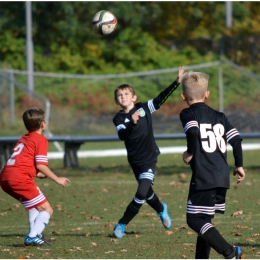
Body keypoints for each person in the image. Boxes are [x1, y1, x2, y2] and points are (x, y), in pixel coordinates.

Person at [112, 66, 186, 238]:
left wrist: (176, 83)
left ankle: (121, 224)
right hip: (135, 161)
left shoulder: (144, 108)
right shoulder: (118, 118)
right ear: (117, 101)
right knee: (147, 193)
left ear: (134, 97)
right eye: (119, 96)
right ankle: (161, 209)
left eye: (126, 94)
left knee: (140, 192)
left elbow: (161, 98)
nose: (123, 97)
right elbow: (123, 135)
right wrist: (131, 122)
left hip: (149, 158)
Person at [179, 71, 246, 259]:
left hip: (204, 175)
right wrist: (239, 165)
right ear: (206, 94)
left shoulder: (188, 113)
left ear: (183, 96)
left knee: (193, 219)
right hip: (221, 175)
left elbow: (192, 131)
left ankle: (230, 251)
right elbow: (236, 140)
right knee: (204, 220)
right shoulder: (219, 115)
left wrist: (190, 152)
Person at [0, 107, 70, 246]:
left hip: (5, 177)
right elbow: (41, 165)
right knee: (47, 209)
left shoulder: (23, 139)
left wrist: (37, 174)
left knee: (33, 207)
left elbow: (22, 163)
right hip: (19, 178)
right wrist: (57, 179)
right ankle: (32, 236)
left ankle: (36, 234)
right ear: (43, 124)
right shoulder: (40, 140)